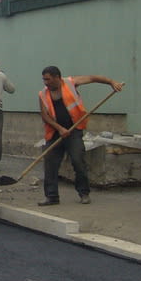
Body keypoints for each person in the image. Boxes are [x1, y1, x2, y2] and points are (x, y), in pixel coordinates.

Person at [38, 65, 124, 206]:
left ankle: (84, 193)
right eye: (44, 80)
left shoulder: (70, 83)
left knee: (78, 161)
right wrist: (60, 129)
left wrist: (111, 82)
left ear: (57, 77)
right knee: (50, 164)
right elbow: (45, 116)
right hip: (55, 133)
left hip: (74, 130)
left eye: (48, 79)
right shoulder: (43, 94)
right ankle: (51, 196)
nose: (45, 83)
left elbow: (92, 78)